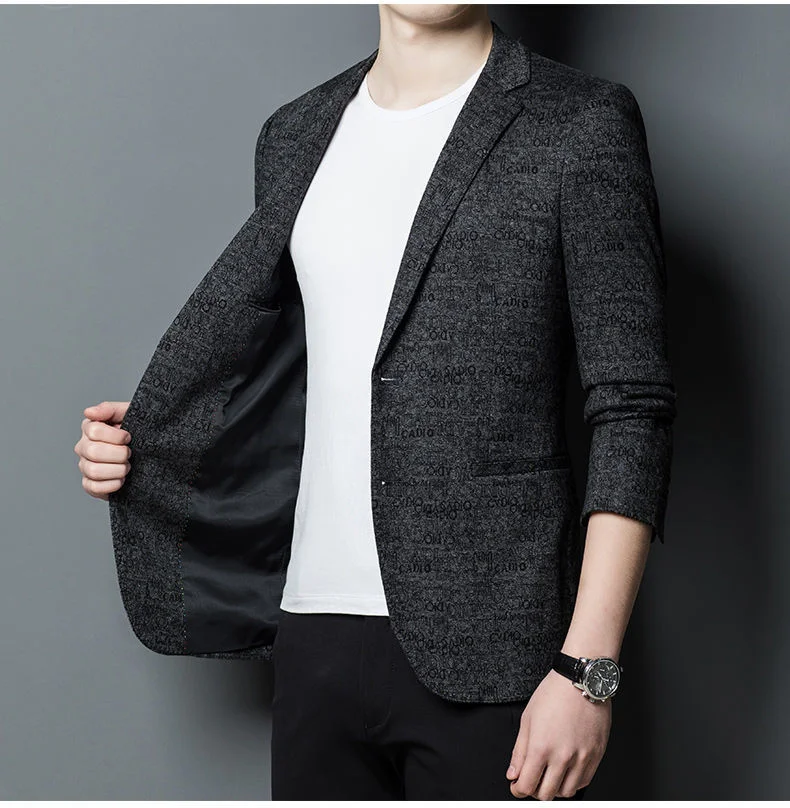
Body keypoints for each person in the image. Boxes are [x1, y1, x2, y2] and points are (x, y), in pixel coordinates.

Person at [74, 5, 676, 801]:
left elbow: (632, 406)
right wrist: (156, 440)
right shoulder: (295, 133)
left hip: (497, 647)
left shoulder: (580, 122)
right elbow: (307, 370)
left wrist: (586, 670)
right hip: (312, 634)